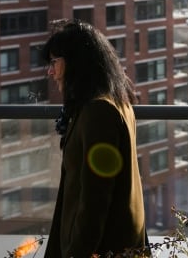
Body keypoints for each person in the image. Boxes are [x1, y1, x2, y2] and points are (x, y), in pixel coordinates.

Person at [42, 19, 147, 258]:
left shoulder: (99, 112)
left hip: (100, 249)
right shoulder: (116, 103)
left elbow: (94, 199)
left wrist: (76, 253)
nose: (50, 71)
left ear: (77, 63)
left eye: (55, 62)